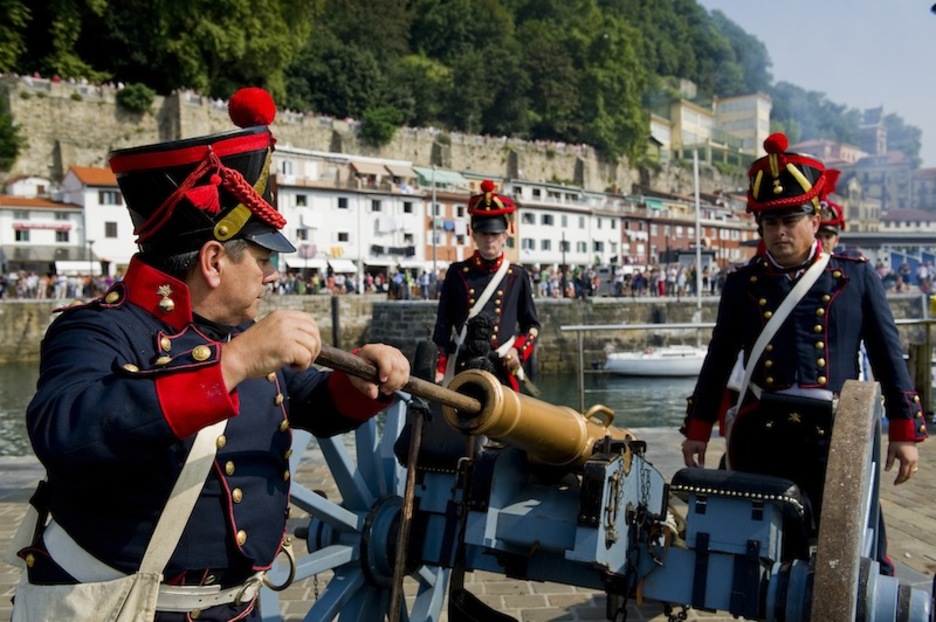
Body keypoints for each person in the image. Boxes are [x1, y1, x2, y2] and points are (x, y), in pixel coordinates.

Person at [12, 87, 410, 621]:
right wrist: (232, 364)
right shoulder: (97, 329)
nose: (273, 273)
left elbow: (307, 405)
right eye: (264, 257)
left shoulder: (237, 330)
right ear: (215, 259)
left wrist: (362, 383)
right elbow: (64, 431)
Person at [680, 132, 926, 572]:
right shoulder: (742, 285)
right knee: (765, 556)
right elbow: (717, 361)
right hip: (764, 431)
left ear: (815, 219)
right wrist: (697, 428)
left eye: (790, 220)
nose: (779, 232)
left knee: (859, 553)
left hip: (835, 434)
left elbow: (890, 358)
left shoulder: (855, 278)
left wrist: (906, 432)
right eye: (769, 224)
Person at [432, 179, 540, 391]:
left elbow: (531, 326)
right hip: (463, 368)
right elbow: (442, 328)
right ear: (474, 235)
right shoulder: (457, 273)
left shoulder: (516, 275)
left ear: (505, 235)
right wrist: (440, 368)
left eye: (494, 234)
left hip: (501, 368)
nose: (489, 239)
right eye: (483, 233)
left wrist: (517, 351)